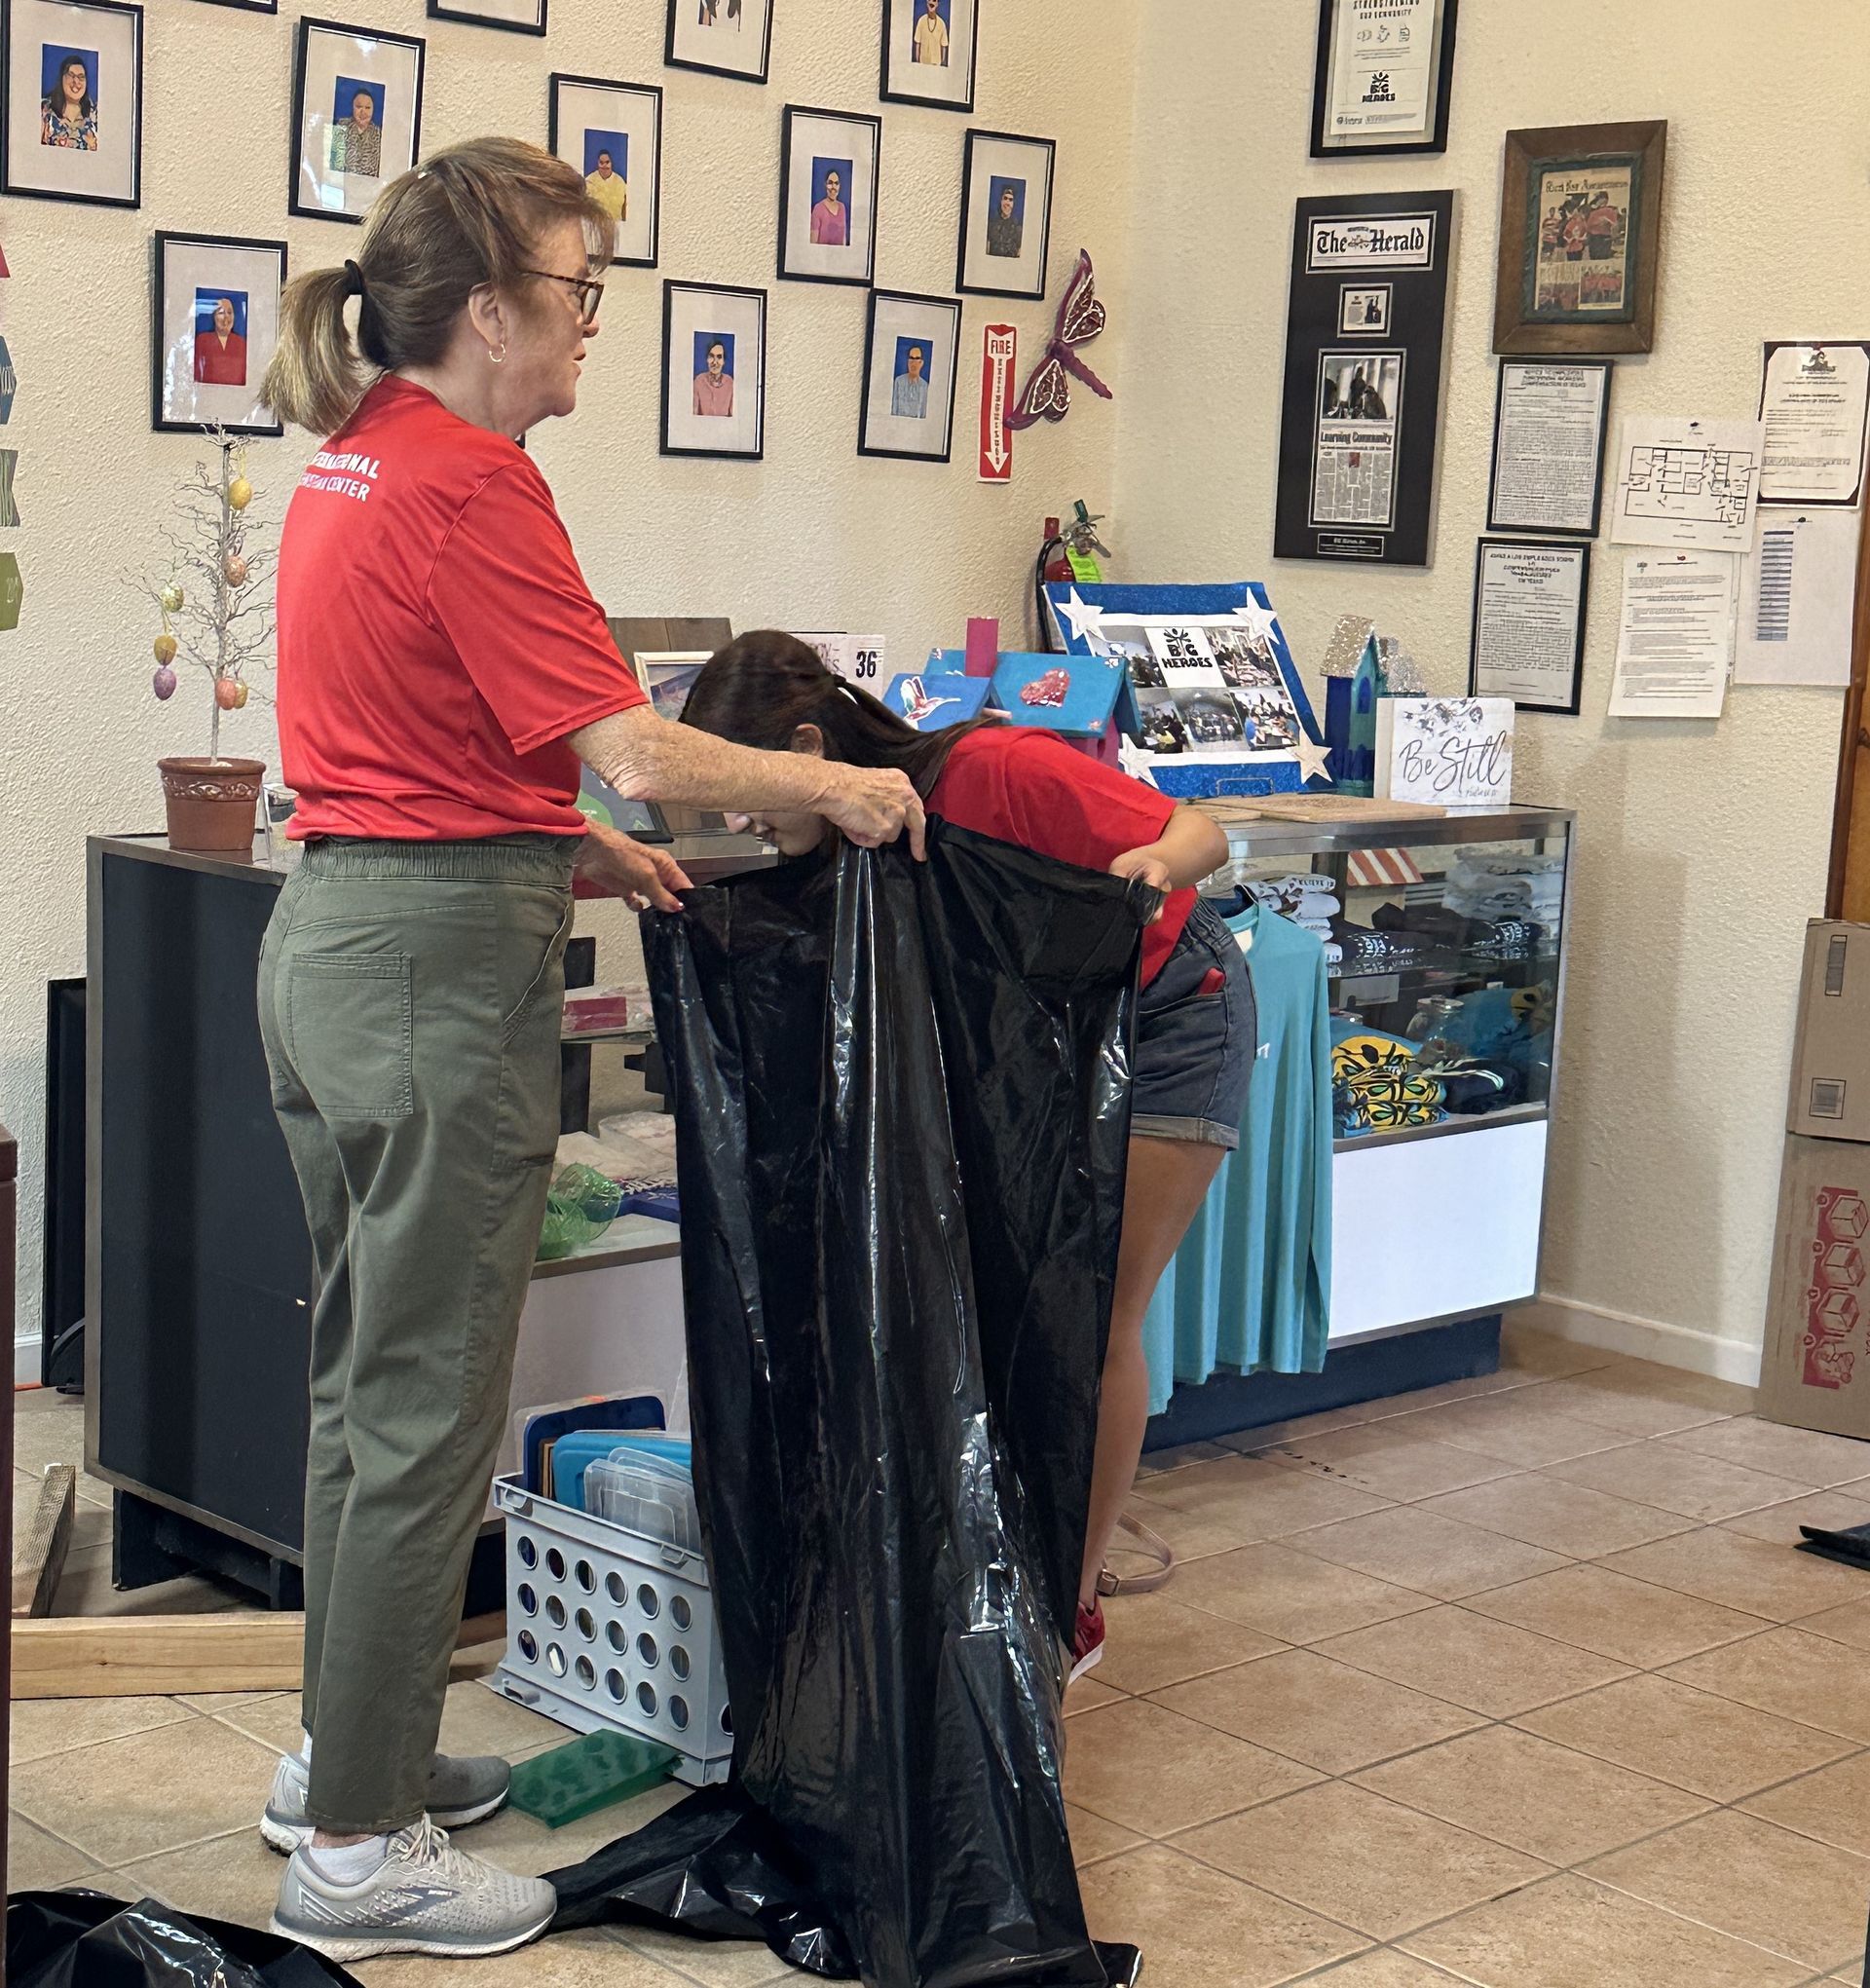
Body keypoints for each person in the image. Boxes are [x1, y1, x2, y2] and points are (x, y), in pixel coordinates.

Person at [254, 137, 921, 1965]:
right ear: (487, 310)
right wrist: (839, 784)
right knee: (423, 1413)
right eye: (576, 292)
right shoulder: (475, 483)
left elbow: (417, 736)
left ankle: (344, 1760)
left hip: (333, 938)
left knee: (361, 1394)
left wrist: (566, 846)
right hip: (426, 974)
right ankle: (365, 1853)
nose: (589, 328)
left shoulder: (351, 460)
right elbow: (640, 745)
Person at [680, 632, 1249, 1683]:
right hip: (1051, 1047)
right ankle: (1004, 1569)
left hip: (1169, 1015)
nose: (738, 817)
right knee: (1009, 1306)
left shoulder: (990, 772)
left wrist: (1145, 872)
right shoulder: (852, 831)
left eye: (745, 788)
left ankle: (1072, 1606)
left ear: (806, 746)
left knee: (1094, 1310)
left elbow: (1199, 832)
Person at [40, 55, 97, 150]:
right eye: (71, 75)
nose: (76, 81)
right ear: (61, 78)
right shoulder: (44, 111)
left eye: (81, 77)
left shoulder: (96, 115)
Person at [194, 295, 247, 386]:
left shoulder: (241, 343)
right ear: (214, 317)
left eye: (230, 312)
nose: (226, 316)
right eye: (221, 312)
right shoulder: (202, 340)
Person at [332, 87, 382, 179]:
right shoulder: (341, 127)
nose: (363, 112)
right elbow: (335, 166)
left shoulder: (378, 134)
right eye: (359, 107)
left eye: (367, 108)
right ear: (352, 107)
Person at [692, 337, 733, 417]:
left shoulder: (730, 383)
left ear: (723, 361)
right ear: (707, 359)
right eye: (711, 356)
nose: (715, 362)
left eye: (719, 357)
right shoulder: (698, 381)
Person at [584, 147, 626, 223]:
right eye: (601, 162)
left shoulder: (620, 182)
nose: (604, 166)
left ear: (611, 163)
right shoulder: (589, 181)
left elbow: (625, 209)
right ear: (598, 163)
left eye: (607, 162)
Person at [810, 167, 848, 246]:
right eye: (830, 183)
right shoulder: (818, 209)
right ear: (825, 185)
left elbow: (843, 240)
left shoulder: (842, 207)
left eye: (836, 183)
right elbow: (813, 244)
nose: (833, 187)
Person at [891, 343, 929, 419]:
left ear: (921, 363)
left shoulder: (925, 386)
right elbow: (894, 409)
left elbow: (923, 413)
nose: (913, 363)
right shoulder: (898, 381)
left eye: (917, 358)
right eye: (911, 358)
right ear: (908, 361)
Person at [986, 182, 1023, 258]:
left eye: (1010, 200)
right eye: (1005, 198)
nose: (1007, 203)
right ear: (1001, 201)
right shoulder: (991, 225)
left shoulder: (1018, 228)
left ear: (1013, 204)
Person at [913, 0, 949, 66]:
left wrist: (941, 63)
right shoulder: (921, 21)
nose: (931, 3)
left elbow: (944, 46)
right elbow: (917, 43)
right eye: (929, 0)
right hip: (923, 63)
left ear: (937, 4)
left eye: (934, 0)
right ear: (926, 2)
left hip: (936, 64)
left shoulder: (941, 23)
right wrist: (918, 62)